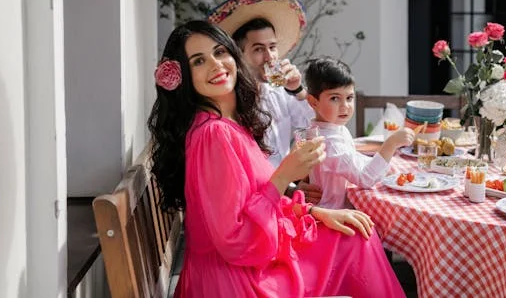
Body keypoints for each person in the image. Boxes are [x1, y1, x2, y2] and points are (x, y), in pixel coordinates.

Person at [148, 21, 405, 298]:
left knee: (354, 232)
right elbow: (234, 240)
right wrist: (284, 175)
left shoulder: (228, 122)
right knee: (359, 239)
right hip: (238, 280)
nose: (216, 64)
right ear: (185, 76)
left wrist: (314, 212)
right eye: (199, 61)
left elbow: (252, 199)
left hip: (243, 263)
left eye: (220, 52)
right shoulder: (214, 134)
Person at [209, 0, 320, 201]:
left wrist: (297, 89)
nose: (270, 57)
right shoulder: (231, 104)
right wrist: (289, 188)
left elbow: (313, 127)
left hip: (288, 189)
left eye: (273, 47)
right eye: (259, 49)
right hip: (261, 200)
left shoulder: (279, 91)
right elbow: (248, 172)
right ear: (237, 56)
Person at [304, 57, 415, 209]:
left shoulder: (333, 129)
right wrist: (391, 143)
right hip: (333, 216)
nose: (345, 106)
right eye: (335, 98)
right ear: (313, 102)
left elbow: (353, 158)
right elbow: (365, 179)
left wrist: (385, 166)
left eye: (349, 98)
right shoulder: (329, 143)